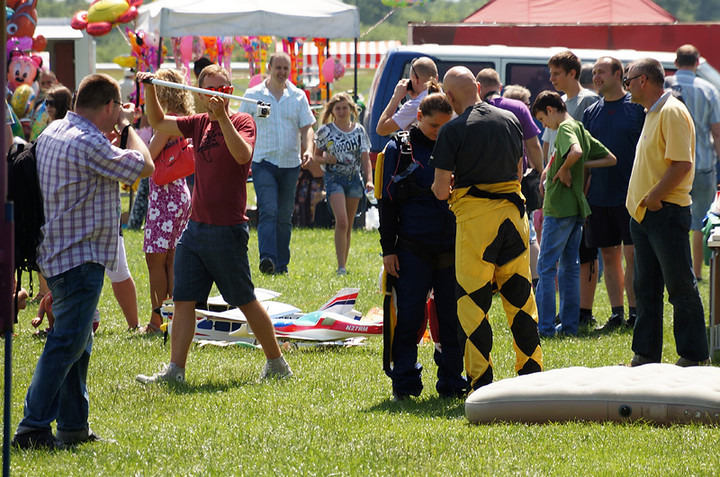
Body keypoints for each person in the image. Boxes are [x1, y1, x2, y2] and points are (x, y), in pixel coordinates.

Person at [11, 73, 154, 450]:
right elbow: (145, 165)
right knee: (66, 344)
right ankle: (32, 427)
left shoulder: (55, 131)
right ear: (109, 106)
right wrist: (127, 126)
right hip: (80, 256)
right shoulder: (91, 142)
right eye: (117, 108)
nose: (118, 114)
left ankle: (73, 425)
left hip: (55, 253)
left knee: (79, 341)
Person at [135, 65, 292, 384]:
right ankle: (175, 371)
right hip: (195, 229)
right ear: (201, 94)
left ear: (230, 92)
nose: (216, 97)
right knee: (183, 299)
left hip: (227, 229)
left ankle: (277, 364)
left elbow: (241, 155)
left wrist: (222, 118)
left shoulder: (242, 121)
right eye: (210, 91)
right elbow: (158, 122)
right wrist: (149, 89)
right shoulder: (198, 123)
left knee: (244, 299)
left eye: (222, 90)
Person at [430, 67, 543, 391]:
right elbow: (519, 172)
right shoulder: (510, 119)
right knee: (521, 300)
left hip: (476, 225)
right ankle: (532, 374)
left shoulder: (452, 130)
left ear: (449, 97)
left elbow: (440, 190)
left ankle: (482, 381)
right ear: (478, 87)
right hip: (514, 218)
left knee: (472, 304)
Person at [379, 86, 468, 400]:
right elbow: (387, 203)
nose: (440, 132)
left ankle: (453, 382)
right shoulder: (398, 149)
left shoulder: (456, 144)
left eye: (446, 126)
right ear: (418, 117)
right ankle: (404, 382)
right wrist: (388, 250)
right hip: (411, 248)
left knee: (451, 319)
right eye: (434, 126)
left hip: (450, 248)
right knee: (409, 320)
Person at [624, 58, 710, 367]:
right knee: (645, 289)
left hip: (665, 212)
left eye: (628, 80)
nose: (627, 87)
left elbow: (682, 164)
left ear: (643, 80)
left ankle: (692, 355)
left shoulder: (672, 111)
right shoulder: (653, 112)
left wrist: (654, 199)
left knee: (679, 286)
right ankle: (645, 354)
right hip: (646, 215)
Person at [531, 91, 616, 337]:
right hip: (577, 207)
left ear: (550, 110)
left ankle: (544, 327)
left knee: (546, 267)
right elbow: (609, 158)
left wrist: (568, 166)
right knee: (570, 266)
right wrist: (554, 167)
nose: (544, 126)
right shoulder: (578, 126)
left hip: (559, 207)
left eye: (542, 120)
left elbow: (576, 152)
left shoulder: (566, 128)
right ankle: (568, 326)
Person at [582, 57, 645, 331]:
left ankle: (636, 314)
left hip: (630, 196)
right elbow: (585, 157)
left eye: (602, 72)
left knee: (632, 255)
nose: (596, 77)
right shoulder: (590, 113)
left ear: (619, 75)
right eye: (594, 73)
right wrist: (582, 193)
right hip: (598, 196)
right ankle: (616, 314)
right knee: (608, 256)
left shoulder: (636, 109)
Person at [240, 52, 315, 275]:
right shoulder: (253, 95)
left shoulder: (298, 96)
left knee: (284, 216)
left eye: (285, 68)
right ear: (269, 67)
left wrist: (309, 149)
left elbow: (307, 126)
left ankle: (281, 264)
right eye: (278, 68)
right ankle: (267, 258)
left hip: (291, 163)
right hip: (264, 162)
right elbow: (241, 124)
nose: (282, 72)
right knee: (269, 210)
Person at [542, 50, 601, 327]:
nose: (551, 78)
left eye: (556, 73)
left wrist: (571, 172)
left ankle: (560, 319)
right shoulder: (559, 103)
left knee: (558, 263)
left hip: (571, 194)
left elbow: (580, 148)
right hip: (562, 192)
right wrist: (549, 168)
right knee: (569, 262)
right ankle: (569, 321)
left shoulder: (587, 101)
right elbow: (550, 145)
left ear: (573, 73)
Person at [477, 69, 544, 289]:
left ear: (479, 87)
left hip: (481, 183)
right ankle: (534, 283)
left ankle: (486, 283)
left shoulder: (474, 109)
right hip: (514, 181)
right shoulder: (517, 107)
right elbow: (533, 144)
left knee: (485, 234)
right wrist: (539, 172)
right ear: (501, 87)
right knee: (528, 234)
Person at [140, 69, 193, 334]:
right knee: (171, 259)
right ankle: (170, 317)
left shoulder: (166, 121)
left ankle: (155, 319)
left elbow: (147, 158)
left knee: (155, 260)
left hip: (164, 198)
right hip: (180, 194)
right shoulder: (183, 119)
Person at [664, 44, 720, 282]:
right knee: (699, 220)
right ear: (698, 63)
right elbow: (716, 132)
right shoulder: (709, 89)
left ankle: (671, 271)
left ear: (676, 62)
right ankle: (695, 273)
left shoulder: (665, 85)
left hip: (670, 163)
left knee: (669, 219)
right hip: (703, 163)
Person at [313, 93, 373, 275]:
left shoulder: (359, 131)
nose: (341, 111)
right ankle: (340, 267)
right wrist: (325, 159)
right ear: (332, 111)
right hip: (334, 179)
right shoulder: (325, 131)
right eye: (337, 108)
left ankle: (344, 265)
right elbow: (316, 156)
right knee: (342, 220)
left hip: (354, 179)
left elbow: (365, 158)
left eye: (344, 108)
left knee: (348, 223)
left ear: (351, 109)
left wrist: (369, 179)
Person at [376, 57, 439, 136]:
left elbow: (381, 129)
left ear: (415, 79)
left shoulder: (414, 106)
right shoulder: (444, 98)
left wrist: (395, 98)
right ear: (436, 78)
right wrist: (416, 97)